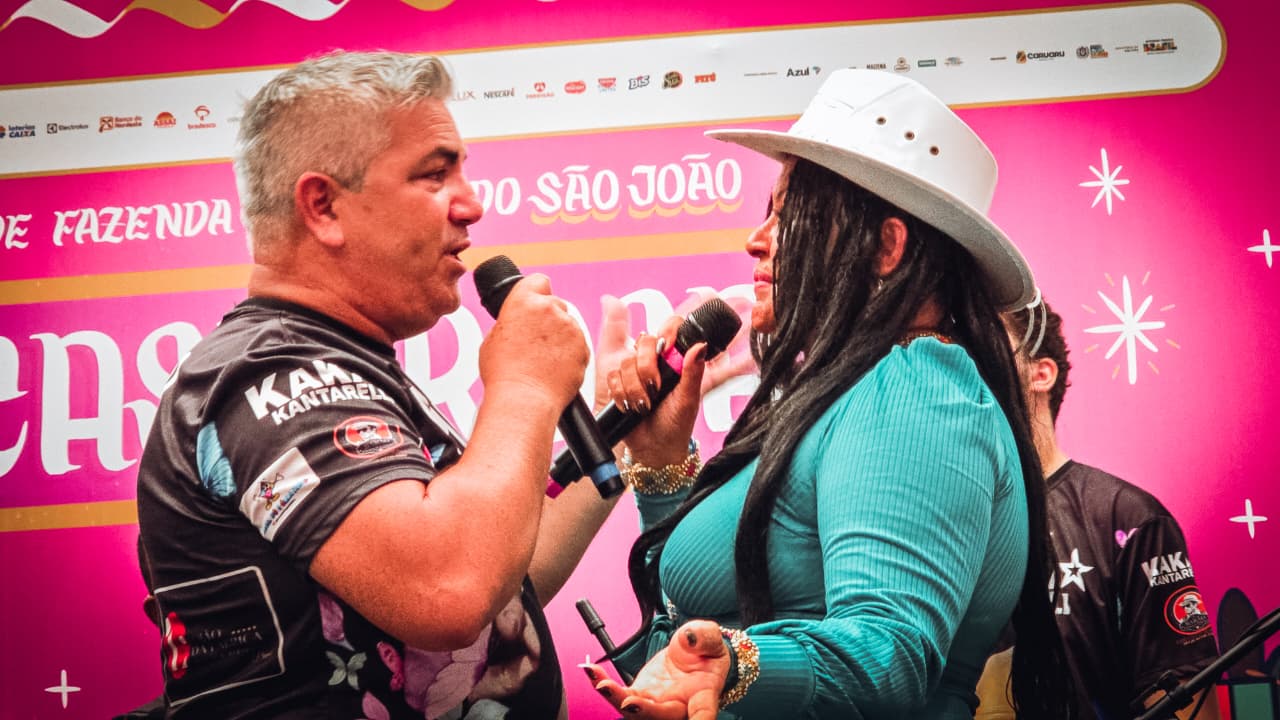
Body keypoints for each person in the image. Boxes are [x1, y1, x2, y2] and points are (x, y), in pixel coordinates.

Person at [136, 50, 621, 718]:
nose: (472, 204)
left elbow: (499, 581)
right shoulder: (274, 375)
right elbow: (448, 591)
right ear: (323, 207)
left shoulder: (338, 362)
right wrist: (526, 386)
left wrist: (629, 440)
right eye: (435, 174)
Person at [580, 68, 1076, 719]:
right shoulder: (853, 393)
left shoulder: (916, 394)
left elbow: (889, 656)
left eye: (787, 216)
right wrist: (661, 461)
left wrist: (738, 665)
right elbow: (699, 624)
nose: (756, 240)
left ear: (885, 248)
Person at [975, 300, 1221, 720]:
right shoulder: (940, 521)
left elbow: (1187, 704)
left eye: (988, 344)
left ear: (1040, 374)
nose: (970, 359)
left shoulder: (1129, 518)